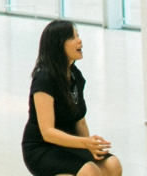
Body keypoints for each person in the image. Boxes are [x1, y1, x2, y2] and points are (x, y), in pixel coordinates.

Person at [21, 20, 121, 176]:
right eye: (73, 37)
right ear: (58, 44)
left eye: (78, 36)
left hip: (69, 143)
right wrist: (85, 144)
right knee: (90, 171)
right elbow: (47, 132)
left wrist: (89, 148)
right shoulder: (44, 79)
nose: (80, 41)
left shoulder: (75, 75)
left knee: (112, 165)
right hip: (42, 148)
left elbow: (80, 121)